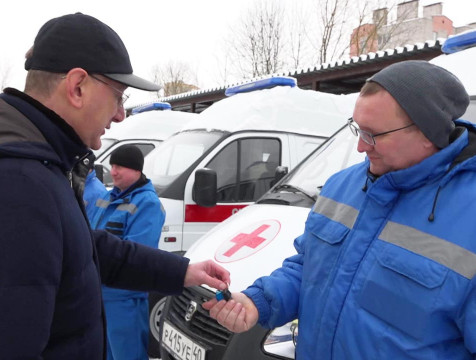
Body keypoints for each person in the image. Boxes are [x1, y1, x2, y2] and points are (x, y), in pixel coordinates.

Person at [203, 60, 476, 359]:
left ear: (427, 133)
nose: (360, 146)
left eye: (373, 134)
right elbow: (308, 268)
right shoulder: (341, 187)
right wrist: (259, 302)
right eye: (357, 129)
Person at [0, 13, 230, 359]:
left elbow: (88, 250)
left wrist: (182, 270)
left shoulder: (43, 166)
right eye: (118, 96)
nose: (121, 114)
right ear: (77, 87)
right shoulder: (20, 183)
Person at [88, 144, 165, 360]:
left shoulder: (148, 204)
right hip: (100, 294)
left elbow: (138, 255)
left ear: (136, 170)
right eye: (112, 165)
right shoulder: (107, 197)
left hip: (125, 298)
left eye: (120, 166)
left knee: (127, 355)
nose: (113, 171)